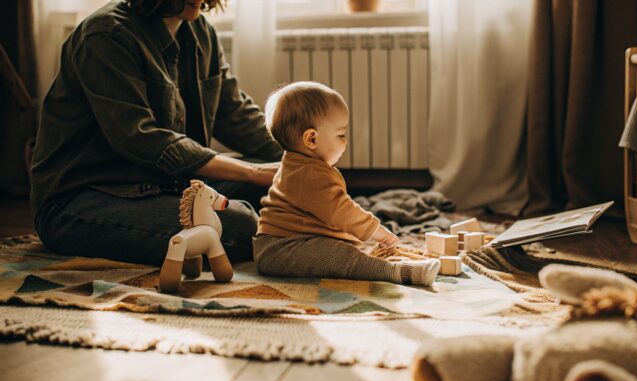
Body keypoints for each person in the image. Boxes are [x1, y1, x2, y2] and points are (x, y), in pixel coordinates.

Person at [30, 0, 282, 264]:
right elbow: (143, 140)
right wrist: (254, 173)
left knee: (287, 186)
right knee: (240, 227)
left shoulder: (200, 31)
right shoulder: (105, 35)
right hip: (81, 199)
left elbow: (236, 116)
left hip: (170, 184)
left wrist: (312, 157)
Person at [252, 81, 441, 286]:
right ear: (311, 139)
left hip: (292, 243)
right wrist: (378, 231)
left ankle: (385, 262)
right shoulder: (309, 175)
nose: (345, 141)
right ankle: (395, 271)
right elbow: (341, 212)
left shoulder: (300, 165)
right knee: (340, 257)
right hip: (281, 250)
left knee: (346, 246)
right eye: (341, 134)